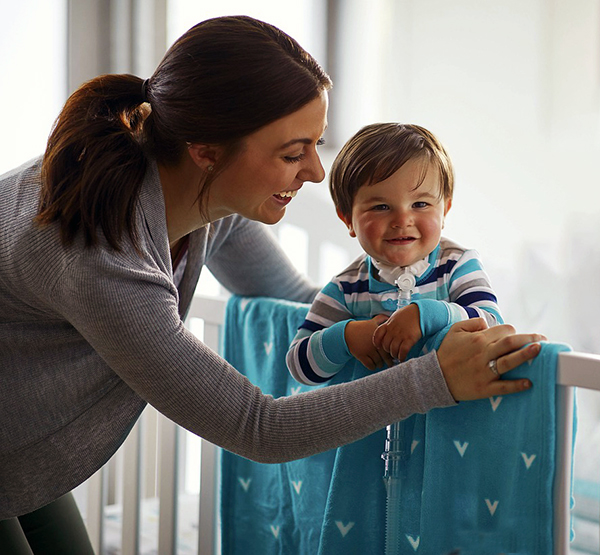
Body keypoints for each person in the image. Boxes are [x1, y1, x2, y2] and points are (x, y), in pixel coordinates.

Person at [0, 15, 542, 552]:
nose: (314, 172)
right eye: (292, 152)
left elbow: (303, 305)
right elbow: (258, 427)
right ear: (206, 150)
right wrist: (436, 378)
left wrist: (412, 313)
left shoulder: (205, 199)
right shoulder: (102, 262)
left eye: (315, 143)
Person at [287, 123, 506, 384]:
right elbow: (299, 366)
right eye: (381, 206)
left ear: (444, 210)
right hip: (373, 421)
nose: (402, 220)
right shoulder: (347, 287)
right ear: (347, 219)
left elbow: (492, 325)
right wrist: (346, 338)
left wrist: (427, 315)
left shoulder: (458, 265)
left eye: (420, 204)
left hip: (444, 420)